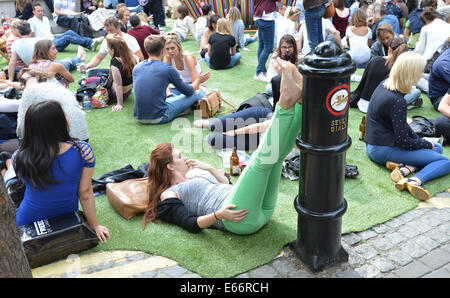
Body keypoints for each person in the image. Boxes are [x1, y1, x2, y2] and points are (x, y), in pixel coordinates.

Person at [141, 57, 303, 234]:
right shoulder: (170, 194)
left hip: (258, 208)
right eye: (179, 156)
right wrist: (219, 215)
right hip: (238, 219)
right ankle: (287, 100)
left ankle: (300, 103)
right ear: (170, 166)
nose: (184, 157)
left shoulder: (194, 173)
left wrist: (209, 168)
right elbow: (189, 222)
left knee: (276, 159)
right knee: (262, 160)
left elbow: (227, 183)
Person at [11, 100, 109, 242]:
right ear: (59, 123)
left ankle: (5, 165)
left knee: (10, 175)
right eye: (65, 115)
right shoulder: (83, 151)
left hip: (27, 224)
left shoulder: (18, 157)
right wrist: (95, 226)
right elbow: (85, 193)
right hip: (67, 223)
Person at [364, 52, 450, 201]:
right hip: (382, 148)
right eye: (420, 71)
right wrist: (425, 144)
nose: (422, 74)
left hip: (375, 144)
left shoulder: (385, 84)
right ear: (411, 73)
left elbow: (402, 126)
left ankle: (406, 168)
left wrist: (424, 142)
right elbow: (403, 141)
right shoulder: (397, 101)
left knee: (438, 147)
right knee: (444, 161)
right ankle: (414, 180)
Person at [133, 36, 210, 124]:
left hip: (139, 117)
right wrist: (199, 81)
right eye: (167, 49)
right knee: (196, 94)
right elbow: (189, 91)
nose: (170, 51)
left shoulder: (136, 67)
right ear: (163, 51)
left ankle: (182, 106)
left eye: (172, 48)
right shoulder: (167, 68)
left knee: (171, 94)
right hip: (160, 116)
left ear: (146, 50)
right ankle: (184, 107)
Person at [16, 68, 90, 142]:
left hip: (62, 144)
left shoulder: (31, 89)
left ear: (37, 77)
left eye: (24, 81)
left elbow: (22, 126)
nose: (22, 86)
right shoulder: (61, 88)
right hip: (83, 139)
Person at [351, 37, 422, 112]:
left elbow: (362, 83)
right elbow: (404, 91)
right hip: (381, 108)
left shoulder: (375, 60)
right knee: (416, 91)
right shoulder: (401, 68)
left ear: (389, 49)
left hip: (363, 104)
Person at [28, 3, 104, 52]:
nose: (41, 12)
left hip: (53, 40)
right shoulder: (31, 21)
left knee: (70, 32)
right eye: (38, 11)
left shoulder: (45, 19)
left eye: (41, 10)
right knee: (67, 37)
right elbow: (31, 37)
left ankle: (90, 43)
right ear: (33, 12)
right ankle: (90, 43)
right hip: (45, 46)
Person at [194, 106, 274, 151]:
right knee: (214, 125)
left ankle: (223, 129)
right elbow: (263, 126)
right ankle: (210, 123)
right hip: (261, 117)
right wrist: (235, 132)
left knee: (213, 138)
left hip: (259, 141)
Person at [106, 34, 139, 112]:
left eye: (107, 48)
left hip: (118, 93)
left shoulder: (115, 61)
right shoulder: (134, 57)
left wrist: (119, 104)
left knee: (93, 76)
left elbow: (118, 84)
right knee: (100, 72)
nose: (107, 50)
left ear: (113, 49)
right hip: (128, 89)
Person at [253, 0, 277, 82]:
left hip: (259, 16)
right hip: (266, 18)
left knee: (262, 45)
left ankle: (262, 70)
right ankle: (259, 72)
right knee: (268, 47)